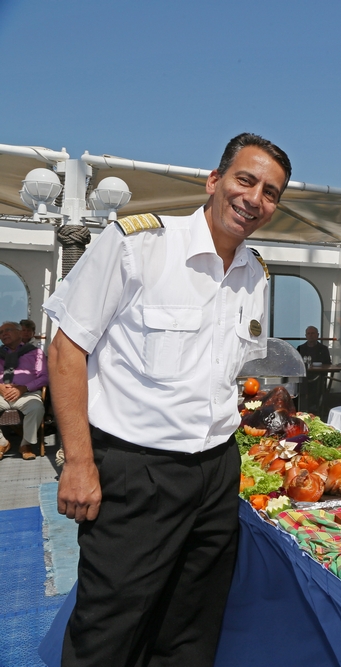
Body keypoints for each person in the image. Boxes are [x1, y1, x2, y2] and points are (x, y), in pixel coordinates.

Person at [43, 132, 291, 666]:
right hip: (137, 472)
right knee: (107, 635)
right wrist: (79, 462)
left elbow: (222, 372)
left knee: (190, 635)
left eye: (270, 192)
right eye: (245, 181)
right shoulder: (137, 244)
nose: (254, 199)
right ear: (214, 181)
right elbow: (66, 350)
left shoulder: (256, 274)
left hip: (217, 472)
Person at [0, 320, 47, 460]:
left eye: (7, 330)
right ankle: (2, 442)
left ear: (20, 333)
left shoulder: (35, 353)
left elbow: (44, 377)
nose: (3, 334)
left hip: (27, 393)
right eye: (1, 332)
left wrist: (24, 388)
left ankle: (25, 444)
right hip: (2, 394)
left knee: (36, 407)